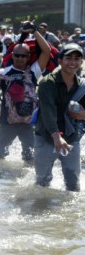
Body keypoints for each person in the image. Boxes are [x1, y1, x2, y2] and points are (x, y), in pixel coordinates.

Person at [0, 43, 49, 163]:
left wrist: (35, 31)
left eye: (23, 56)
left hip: (28, 122)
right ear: (12, 56)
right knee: (0, 156)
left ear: (28, 57)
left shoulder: (34, 71)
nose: (20, 58)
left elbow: (46, 51)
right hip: (7, 121)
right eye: (17, 55)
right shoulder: (2, 72)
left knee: (30, 156)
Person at [33, 43, 85, 191]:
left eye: (77, 59)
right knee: (42, 185)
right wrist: (56, 136)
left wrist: (83, 115)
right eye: (68, 58)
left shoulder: (82, 86)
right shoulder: (47, 83)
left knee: (73, 186)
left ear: (81, 62)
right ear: (60, 61)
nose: (72, 63)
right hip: (46, 137)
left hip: (71, 137)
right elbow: (48, 111)